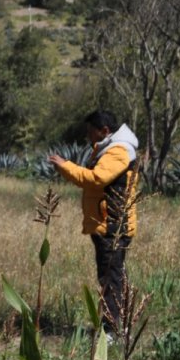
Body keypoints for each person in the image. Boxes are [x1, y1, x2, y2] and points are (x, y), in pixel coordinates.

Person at [50, 111, 139, 331]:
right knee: (114, 275)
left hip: (112, 225)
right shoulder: (111, 148)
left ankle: (112, 330)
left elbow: (96, 178)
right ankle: (120, 325)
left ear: (104, 131)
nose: (88, 135)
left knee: (110, 277)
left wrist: (65, 166)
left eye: (91, 131)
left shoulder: (118, 151)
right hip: (107, 224)